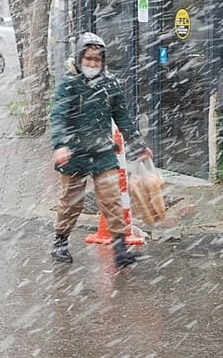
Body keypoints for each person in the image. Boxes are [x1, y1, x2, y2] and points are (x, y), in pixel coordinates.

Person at [49, 32, 152, 267]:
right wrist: (61, 145)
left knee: (112, 198)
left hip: (103, 151)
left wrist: (138, 145)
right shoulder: (69, 84)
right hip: (74, 153)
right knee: (71, 201)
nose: (93, 64)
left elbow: (122, 116)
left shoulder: (110, 83)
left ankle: (120, 250)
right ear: (79, 58)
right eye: (88, 59)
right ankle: (60, 241)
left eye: (97, 60)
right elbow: (58, 116)